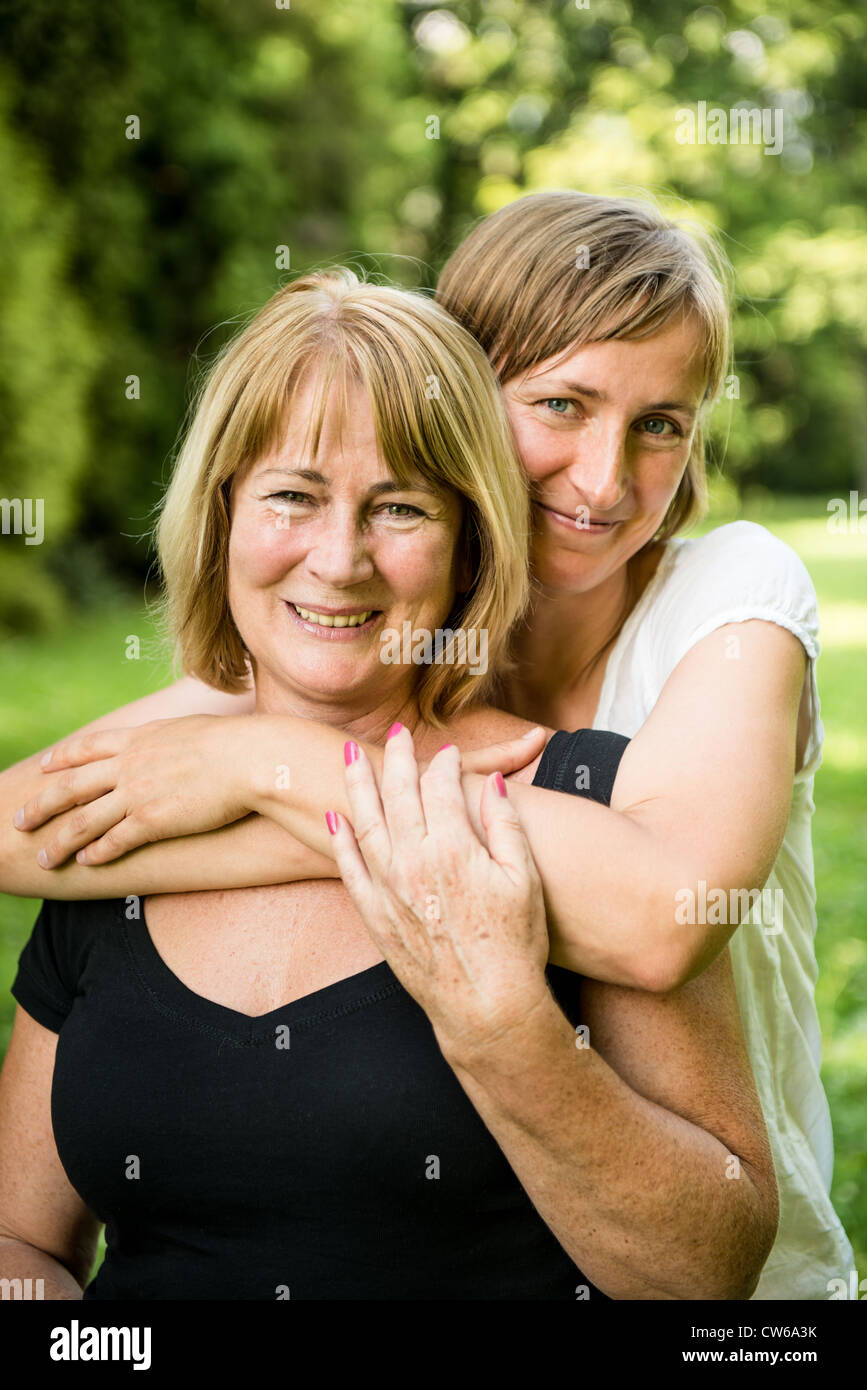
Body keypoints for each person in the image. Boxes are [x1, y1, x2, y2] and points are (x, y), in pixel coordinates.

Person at [2, 192, 853, 1298]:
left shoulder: (714, 623)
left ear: (461, 521)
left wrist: (268, 770)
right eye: (560, 405)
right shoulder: (244, 722)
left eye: (662, 423)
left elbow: (656, 918)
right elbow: (29, 828)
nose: (603, 479)